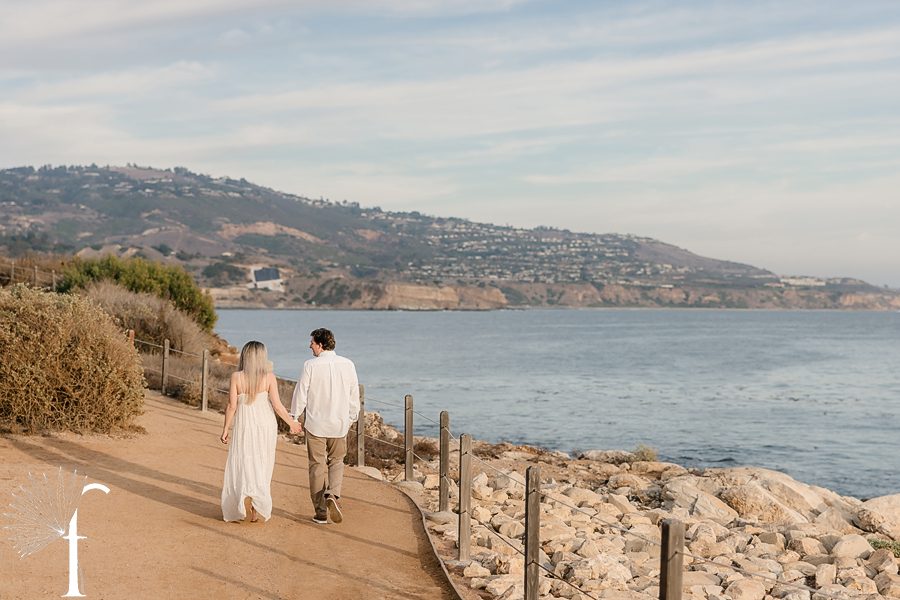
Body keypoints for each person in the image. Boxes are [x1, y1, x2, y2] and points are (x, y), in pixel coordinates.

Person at [221, 341, 302, 523]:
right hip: (266, 425)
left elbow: (231, 406)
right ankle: (256, 507)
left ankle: (240, 503)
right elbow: (278, 406)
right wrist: (291, 423)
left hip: (244, 425)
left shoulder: (236, 377)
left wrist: (225, 429)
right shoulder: (269, 377)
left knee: (242, 462)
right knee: (262, 463)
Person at [290, 328, 360, 524]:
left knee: (316, 467)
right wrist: (351, 418)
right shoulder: (348, 364)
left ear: (320, 344)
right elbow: (354, 394)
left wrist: (294, 417)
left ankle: (321, 512)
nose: (310, 345)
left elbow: (301, 394)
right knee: (337, 461)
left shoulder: (310, 365)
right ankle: (333, 495)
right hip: (339, 424)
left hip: (316, 425)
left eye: (312, 342)